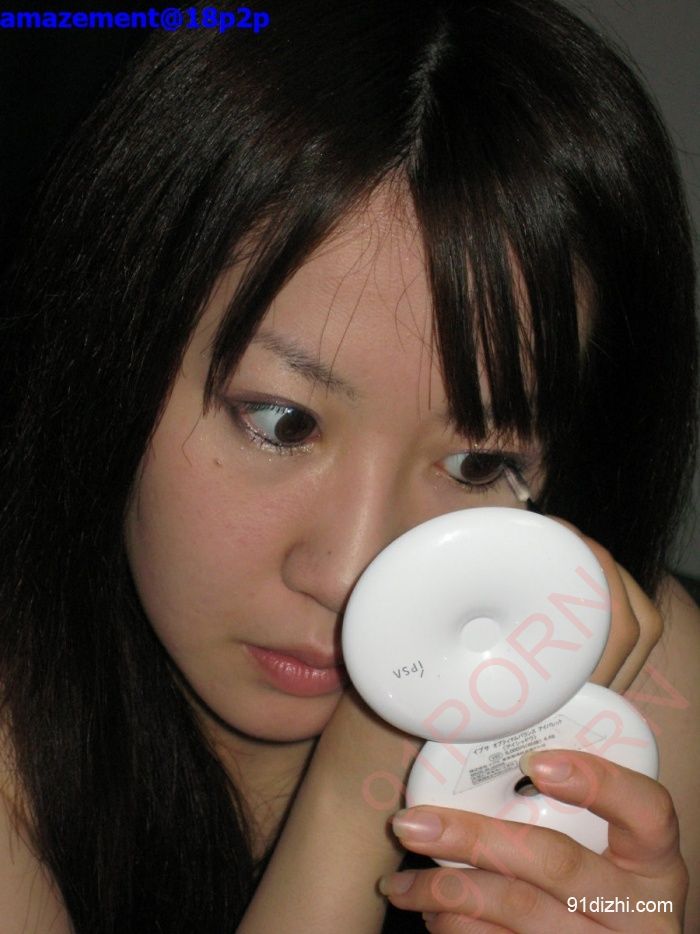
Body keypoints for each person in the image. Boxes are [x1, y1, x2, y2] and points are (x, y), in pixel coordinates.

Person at [1, 1, 698, 931]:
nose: (347, 573)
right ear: (112, 358)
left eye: (478, 462)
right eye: (283, 423)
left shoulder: (635, 679)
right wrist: (361, 790)